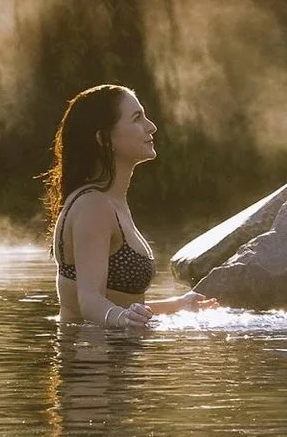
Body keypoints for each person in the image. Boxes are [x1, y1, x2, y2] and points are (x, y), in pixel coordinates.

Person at [46, 84, 217, 326]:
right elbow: (90, 301)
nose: (151, 127)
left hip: (112, 356)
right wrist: (122, 318)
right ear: (103, 138)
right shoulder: (93, 206)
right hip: (89, 358)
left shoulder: (111, 201)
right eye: (137, 118)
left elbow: (120, 305)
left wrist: (177, 304)